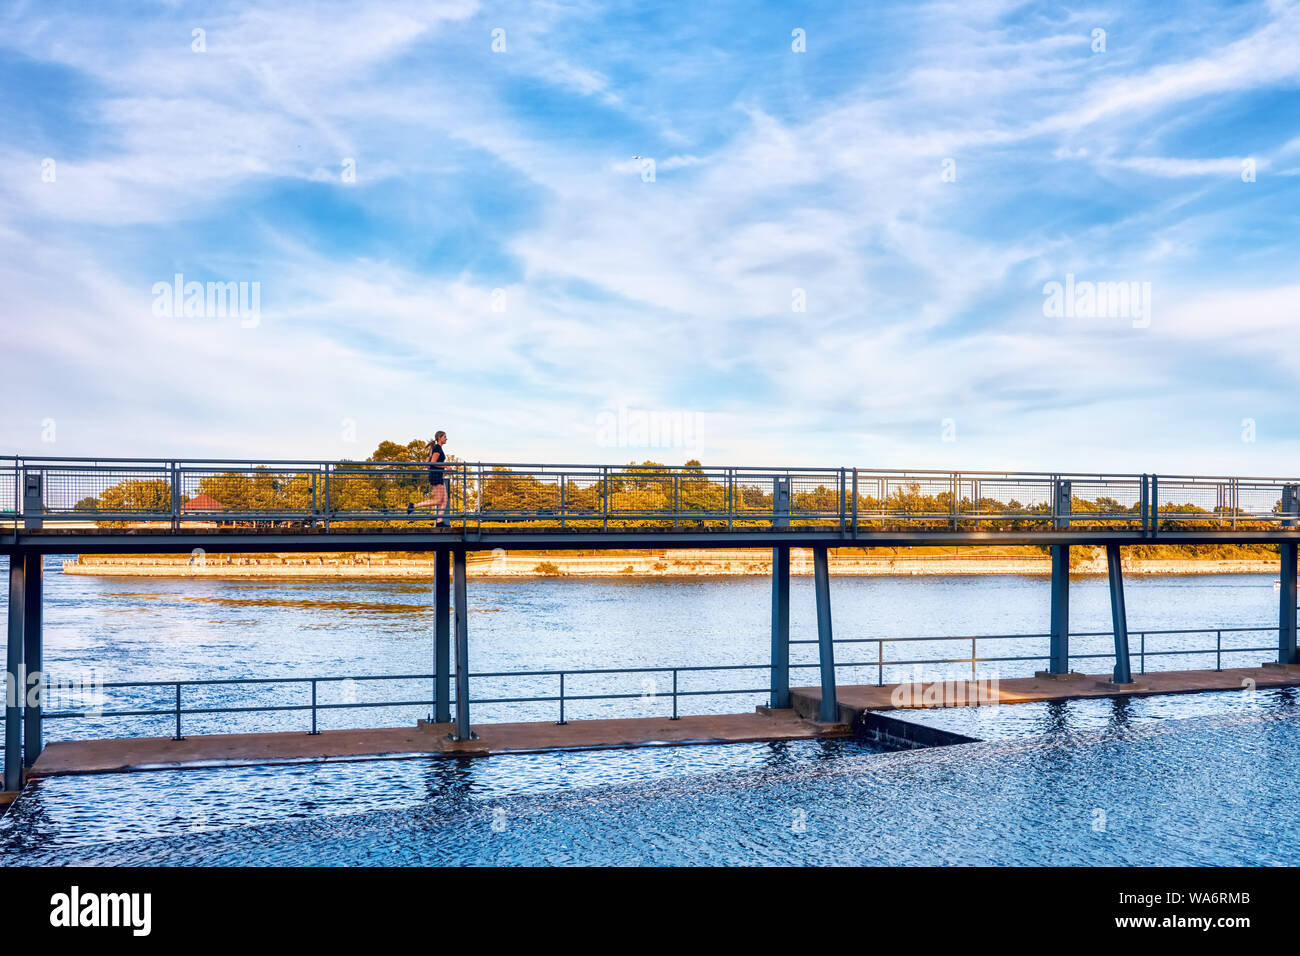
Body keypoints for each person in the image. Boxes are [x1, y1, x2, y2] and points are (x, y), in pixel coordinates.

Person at [427, 431, 450, 527]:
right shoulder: (437, 448)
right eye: (445, 437)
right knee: (438, 500)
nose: (446, 438)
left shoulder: (437, 448)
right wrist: (445, 466)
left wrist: (443, 471)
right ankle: (413, 506)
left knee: (445, 499)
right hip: (436, 476)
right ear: (439, 438)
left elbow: (428, 464)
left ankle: (439, 521)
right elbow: (433, 462)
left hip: (438, 475)